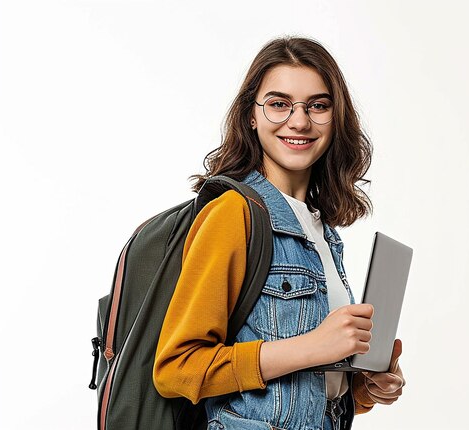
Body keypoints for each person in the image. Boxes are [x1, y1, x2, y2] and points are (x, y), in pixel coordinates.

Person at [153, 36, 405, 430]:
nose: (300, 121)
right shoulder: (233, 214)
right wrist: (311, 347)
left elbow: (303, 391)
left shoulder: (321, 229)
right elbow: (177, 368)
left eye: (318, 105)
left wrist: (364, 387)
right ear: (251, 116)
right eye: (279, 104)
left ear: (335, 117)